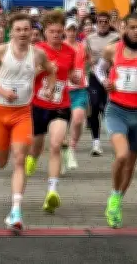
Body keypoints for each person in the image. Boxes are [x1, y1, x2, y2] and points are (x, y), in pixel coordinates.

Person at [0, 12, 56, 230]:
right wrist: (2, 90)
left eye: (27, 29)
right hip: (1, 113)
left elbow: (51, 71)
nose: (23, 33)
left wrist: (49, 89)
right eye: (18, 29)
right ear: (11, 32)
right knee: (2, 162)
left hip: (23, 113)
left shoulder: (38, 53)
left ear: (33, 32)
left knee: (20, 159)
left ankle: (16, 211)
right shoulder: (1, 50)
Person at [94, 12, 137, 228]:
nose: (136, 31)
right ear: (124, 28)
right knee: (121, 155)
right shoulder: (112, 49)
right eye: (132, 27)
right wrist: (105, 81)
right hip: (116, 111)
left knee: (131, 164)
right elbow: (98, 69)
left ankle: (116, 202)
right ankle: (114, 195)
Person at [25, 11, 78, 214]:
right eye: (52, 32)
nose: (56, 35)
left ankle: (52, 192)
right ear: (45, 32)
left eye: (59, 31)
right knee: (37, 145)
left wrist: (73, 78)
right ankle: (33, 158)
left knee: (55, 144)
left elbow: (71, 72)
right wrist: (45, 69)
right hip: (39, 103)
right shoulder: (37, 50)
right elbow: (27, 75)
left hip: (60, 103)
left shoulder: (69, 51)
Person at [84, 12, 120, 156]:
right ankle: (96, 142)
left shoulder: (116, 38)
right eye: (100, 21)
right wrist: (89, 63)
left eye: (106, 21)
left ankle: (116, 140)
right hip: (94, 77)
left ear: (109, 22)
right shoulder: (89, 38)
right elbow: (85, 58)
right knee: (93, 107)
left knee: (109, 109)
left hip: (111, 77)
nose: (103, 24)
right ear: (96, 23)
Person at [64, 18, 88, 171]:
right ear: (65, 31)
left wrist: (84, 73)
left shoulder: (82, 47)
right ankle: (63, 151)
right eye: (69, 30)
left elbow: (89, 61)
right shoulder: (61, 47)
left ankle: (72, 146)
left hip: (79, 89)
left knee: (78, 120)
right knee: (62, 126)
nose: (72, 32)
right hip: (63, 90)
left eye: (74, 30)